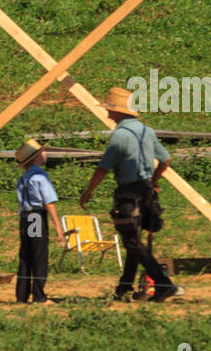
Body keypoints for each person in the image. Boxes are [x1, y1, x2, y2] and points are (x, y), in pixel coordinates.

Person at [79, 86, 184, 303]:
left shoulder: (120, 136)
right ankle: (124, 288)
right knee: (132, 241)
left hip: (128, 193)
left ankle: (163, 284)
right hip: (147, 192)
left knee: (132, 241)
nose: (107, 113)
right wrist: (153, 181)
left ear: (118, 112)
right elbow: (166, 159)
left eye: (110, 109)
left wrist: (88, 192)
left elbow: (103, 168)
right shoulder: (148, 132)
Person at [15, 137, 65, 307]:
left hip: (25, 217)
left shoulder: (23, 178)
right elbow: (48, 202)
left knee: (26, 255)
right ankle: (39, 295)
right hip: (36, 217)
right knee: (39, 255)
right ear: (35, 158)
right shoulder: (39, 176)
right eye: (41, 152)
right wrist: (57, 226)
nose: (45, 154)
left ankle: (21, 294)